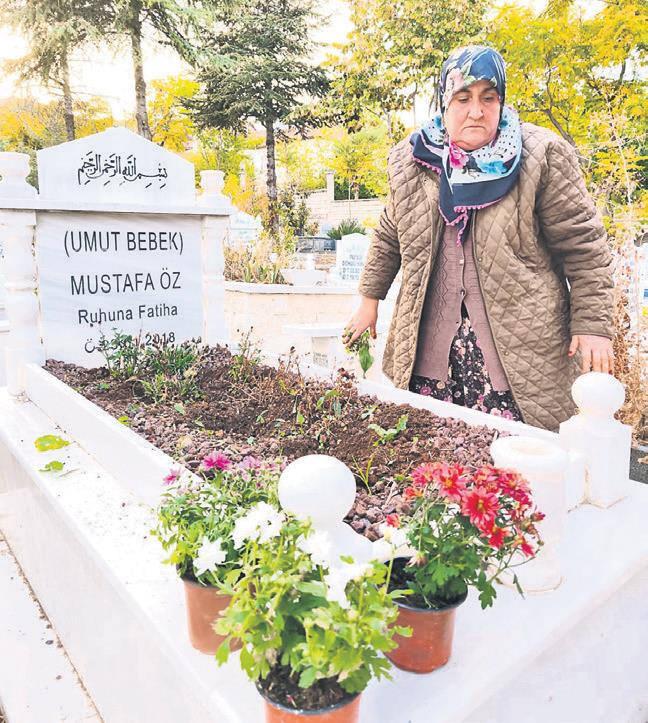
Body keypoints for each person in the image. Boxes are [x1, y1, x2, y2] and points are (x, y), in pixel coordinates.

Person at [343, 45, 614, 432]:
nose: (476, 111)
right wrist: (369, 302)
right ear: (443, 102)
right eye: (463, 98)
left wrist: (592, 325)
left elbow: (584, 246)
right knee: (437, 457)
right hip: (430, 357)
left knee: (514, 461)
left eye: (489, 97)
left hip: (519, 355)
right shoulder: (412, 159)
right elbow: (389, 235)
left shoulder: (541, 155)